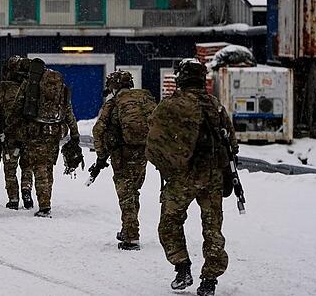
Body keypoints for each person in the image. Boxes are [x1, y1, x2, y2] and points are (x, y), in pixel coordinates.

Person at [146, 59, 238, 296]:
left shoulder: (172, 104)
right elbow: (232, 144)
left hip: (182, 177)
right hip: (213, 176)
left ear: (181, 78)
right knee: (213, 228)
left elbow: (154, 139)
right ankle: (209, 280)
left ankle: (182, 267)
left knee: (169, 223)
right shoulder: (215, 105)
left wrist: (169, 164)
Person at [90, 70, 157, 251]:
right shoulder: (144, 99)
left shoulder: (113, 104)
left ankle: (131, 237)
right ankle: (128, 229)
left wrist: (101, 154)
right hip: (143, 153)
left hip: (122, 154)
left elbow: (98, 130)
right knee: (134, 191)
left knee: (126, 194)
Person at [7, 58, 79, 218]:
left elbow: (17, 107)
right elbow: (68, 111)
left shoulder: (31, 85)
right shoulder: (61, 87)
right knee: (48, 167)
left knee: (39, 167)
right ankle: (47, 198)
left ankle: (44, 205)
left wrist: (10, 126)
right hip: (55, 132)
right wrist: (74, 133)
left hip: (35, 131)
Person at [0, 56, 34, 210]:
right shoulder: (30, 88)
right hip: (28, 134)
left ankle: (13, 198)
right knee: (27, 166)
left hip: (10, 135)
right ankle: (26, 189)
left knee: (10, 168)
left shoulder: (5, 90)